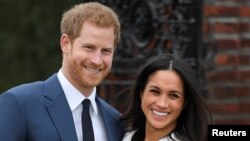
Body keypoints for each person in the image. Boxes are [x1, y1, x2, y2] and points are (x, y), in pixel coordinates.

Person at [0, 2, 124, 141]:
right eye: (89, 47)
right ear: (65, 44)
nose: (97, 60)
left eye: (106, 51)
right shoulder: (20, 104)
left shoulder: (115, 122)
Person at [121, 54, 212, 141]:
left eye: (173, 96)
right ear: (141, 93)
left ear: (184, 103)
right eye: (155, 92)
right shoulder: (123, 135)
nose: (162, 104)